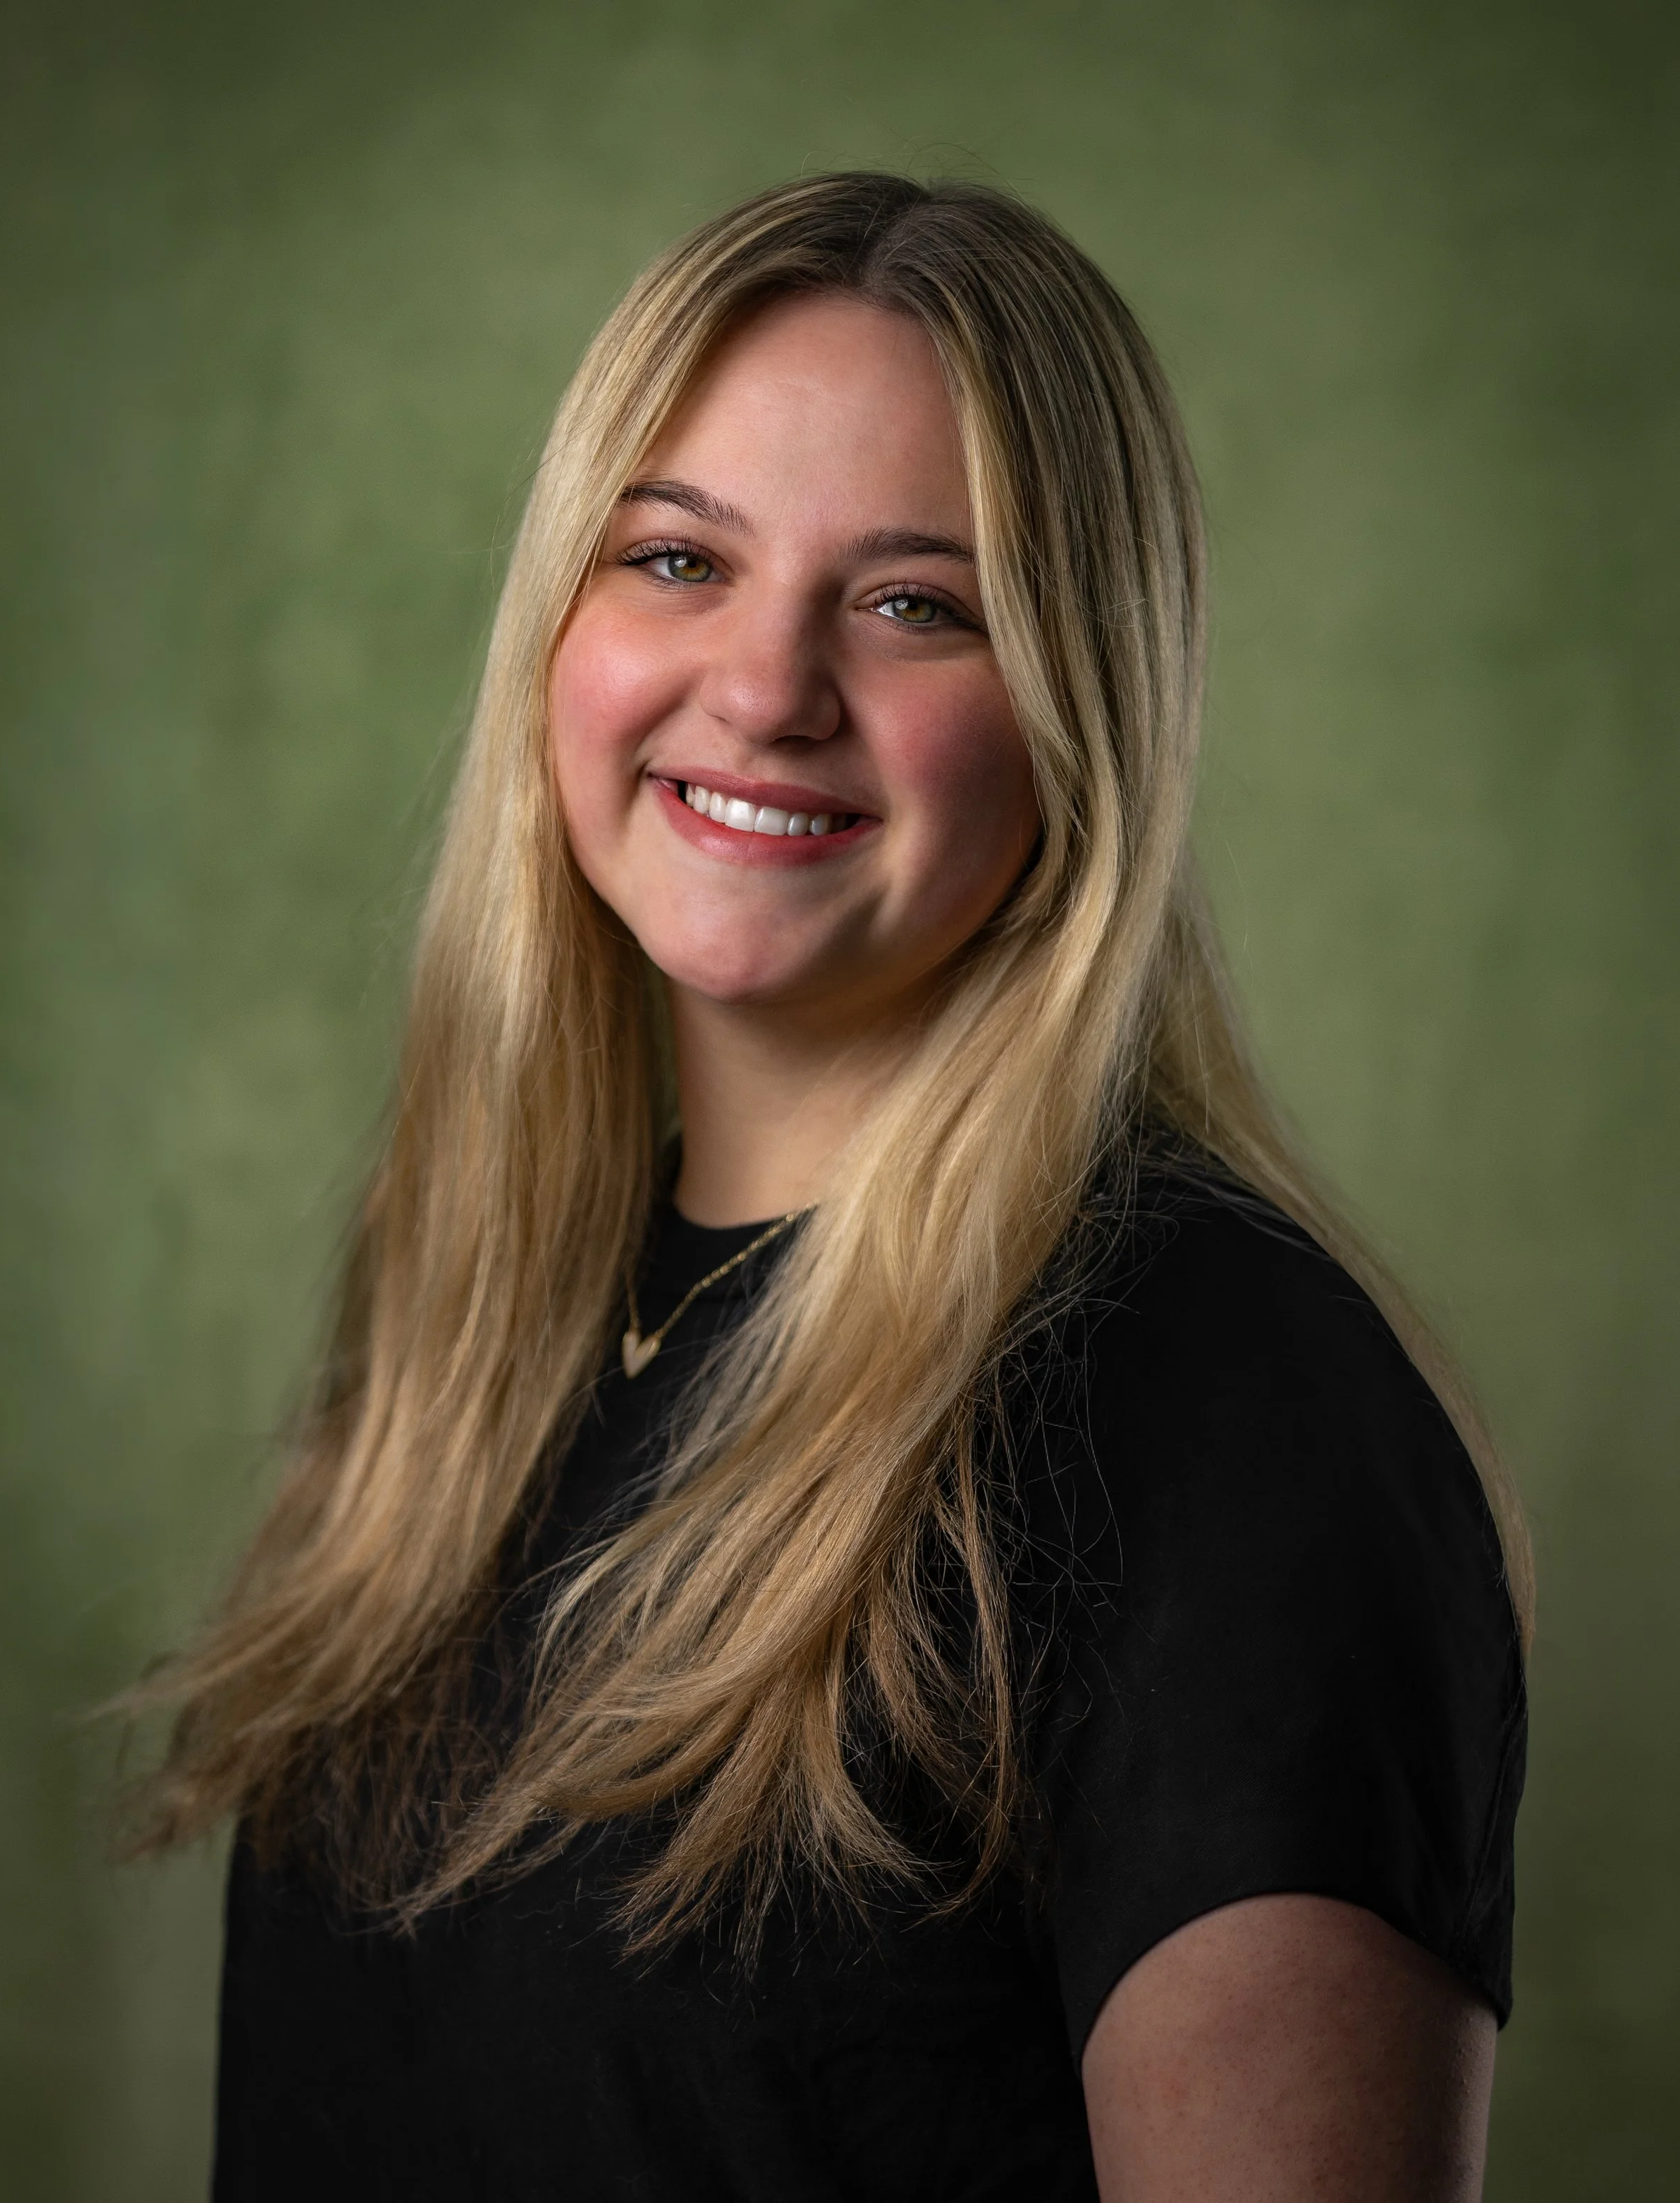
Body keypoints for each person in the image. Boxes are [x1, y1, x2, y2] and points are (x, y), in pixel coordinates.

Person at [131, 173, 1530, 2200]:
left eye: (913, 603)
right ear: (559, 631)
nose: (767, 685)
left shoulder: (1218, 1403)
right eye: (676, 558)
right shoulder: (479, 1328)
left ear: (1077, 705)